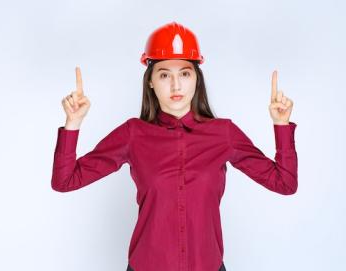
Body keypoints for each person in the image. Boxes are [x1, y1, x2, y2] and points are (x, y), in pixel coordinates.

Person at [51, 21, 298, 271]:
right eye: (164, 75)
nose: (176, 85)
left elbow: (285, 183)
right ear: (150, 82)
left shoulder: (223, 134)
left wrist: (281, 125)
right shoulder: (133, 134)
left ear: (196, 79)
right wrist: (73, 123)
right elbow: (65, 181)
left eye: (185, 73)